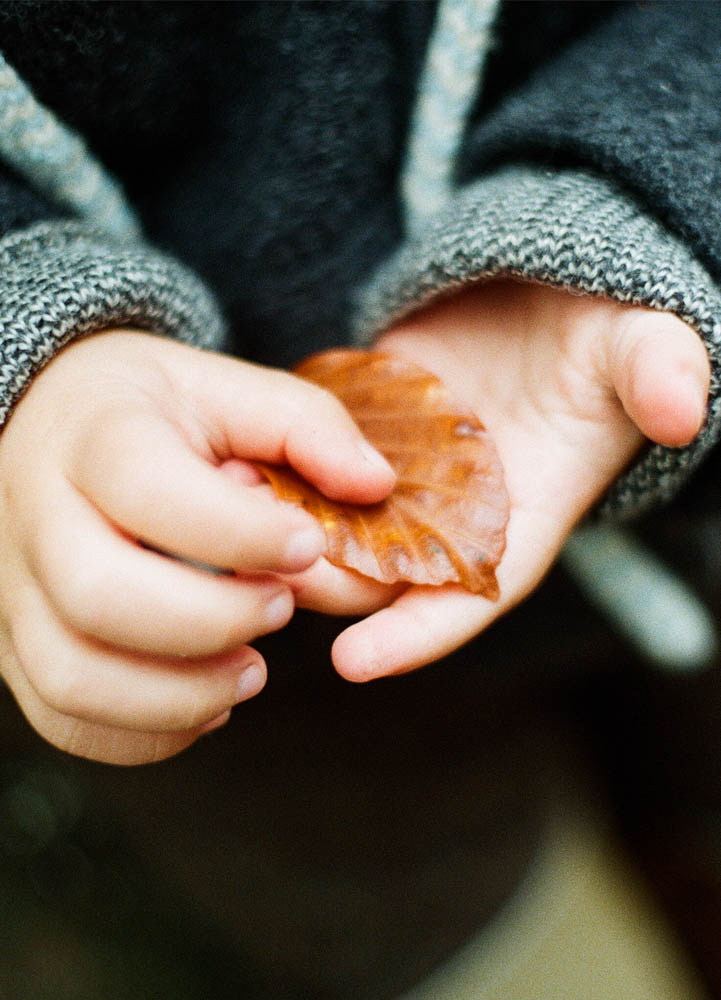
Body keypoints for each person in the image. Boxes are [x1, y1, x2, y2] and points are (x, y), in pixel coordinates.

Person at [0, 1, 717, 769]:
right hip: (223, 648)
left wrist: (617, 210)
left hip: (675, 530)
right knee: (411, 861)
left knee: (680, 765)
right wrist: (28, 348)